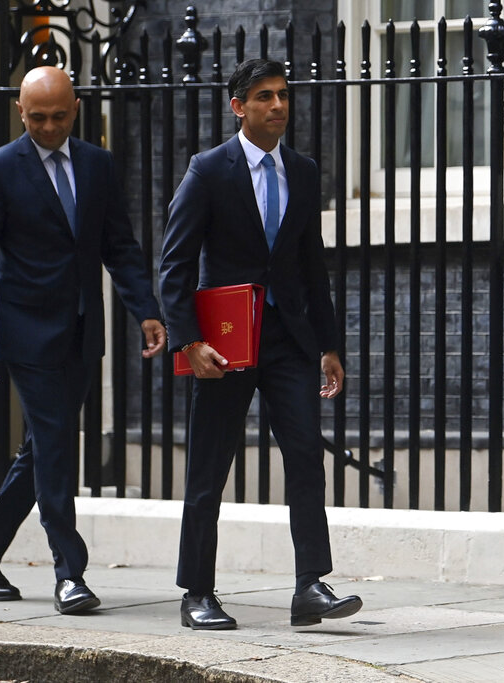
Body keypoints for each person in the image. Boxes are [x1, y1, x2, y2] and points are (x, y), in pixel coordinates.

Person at [0, 66, 166, 615]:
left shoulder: (97, 164)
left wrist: (144, 309)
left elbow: (119, 245)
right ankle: (70, 572)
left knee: (43, 449)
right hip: (25, 333)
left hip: (80, 330)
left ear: (76, 109)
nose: (49, 127)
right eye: (37, 117)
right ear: (20, 113)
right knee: (56, 447)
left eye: (59, 115)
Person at [159, 58, 361, 630]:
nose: (278, 106)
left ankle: (309, 587)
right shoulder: (208, 171)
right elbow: (174, 266)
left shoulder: (301, 169)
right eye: (265, 97)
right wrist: (189, 341)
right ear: (238, 107)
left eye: (283, 96)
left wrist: (328, 344)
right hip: (225, 346)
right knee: (209, 467)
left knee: (304, 457)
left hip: (287, 341)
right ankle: (197, 591)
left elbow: (310, 264)